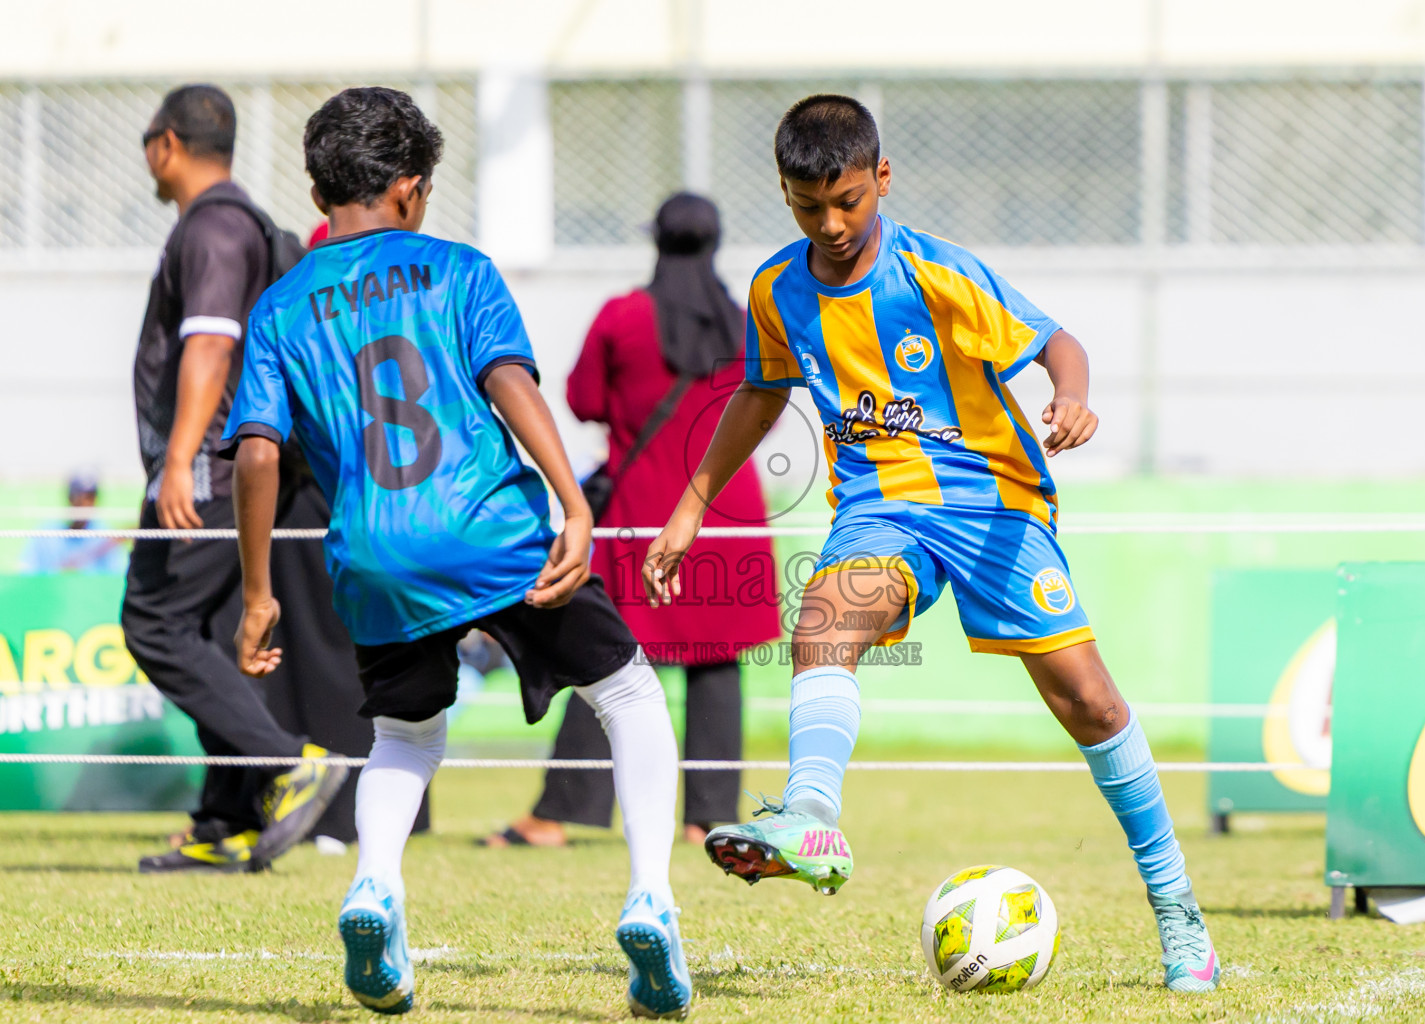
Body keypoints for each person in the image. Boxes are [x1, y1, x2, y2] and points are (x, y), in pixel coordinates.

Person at [643, 94, 1221, 994]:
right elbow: (761, 394)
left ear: (881, 179)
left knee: (1093, 708)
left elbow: (1056, 343)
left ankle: (1180, 914)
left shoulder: (936, 274)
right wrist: (692, 504)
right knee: (824, 619)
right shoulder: (774, 290)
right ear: (785, 196)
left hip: (996, 509)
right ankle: (812, 819)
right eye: (807, 206)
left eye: (846, 201)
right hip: (880, 509)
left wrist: (1069, 396)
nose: (830, 224)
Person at [220, 87, 691, 1019]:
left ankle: (375, 888)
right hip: (491, 530)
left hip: (375, 555)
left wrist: (259, 590)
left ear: (320, 197)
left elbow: (260, 453)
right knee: (629, 692)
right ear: (408, 189)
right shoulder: (459, 270)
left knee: (403, 733)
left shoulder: (279, 308)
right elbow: (507, 380)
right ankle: (651, 899)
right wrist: (571, 502)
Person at [487, 193, 779, 851]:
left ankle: (559, 813)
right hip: (725, 513)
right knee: (716, 668)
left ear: (658, 242)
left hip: (642, 516)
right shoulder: (744, 323)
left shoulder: (623, 317)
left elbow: (584, 399)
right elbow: (768, 411)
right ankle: (707, 817)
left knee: (608, 660)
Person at [122, 83, 349, 874]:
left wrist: (180, 460)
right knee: (211, 635)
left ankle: (291, 762)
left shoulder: (213, 227)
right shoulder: (242, 222)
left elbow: (211, 346)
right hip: (239, 466)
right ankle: (227, 819)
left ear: (167, 145)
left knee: (152, 623)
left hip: (211, 467)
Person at [18, 474, 127, 576]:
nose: (84, 505)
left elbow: (116, 574)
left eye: (89, 498)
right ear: (69, 498)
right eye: (79, 498)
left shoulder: (105, 534)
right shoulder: (46, 532)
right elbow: (27, 571)